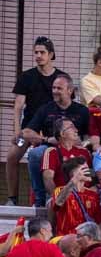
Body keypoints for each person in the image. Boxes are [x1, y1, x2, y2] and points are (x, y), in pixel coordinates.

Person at [7, 36, 69, 206]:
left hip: (53, 129)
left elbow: (67, 104)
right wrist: (17, 131)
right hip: (29, 128)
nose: (38, 55)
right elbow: (18, 106)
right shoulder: (26, 77)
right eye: (36, 52)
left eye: (42, 52)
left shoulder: (61, 78)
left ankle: (54, 197)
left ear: (51, 54)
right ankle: (12, 199)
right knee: (12, 156)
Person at [22, 74, 90, 207]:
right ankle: (40, 199)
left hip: (75, 147)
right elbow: (26, 132)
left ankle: (83, 196)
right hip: (50, 147)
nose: (54, 91)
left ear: (70, 90)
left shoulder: (82, 111)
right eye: (53, 88)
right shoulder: (45, 108)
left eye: (59, 88)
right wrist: (46, 139)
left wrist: (84, 143)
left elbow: (90, 134)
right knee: (35, 154)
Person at [41, 118, 90, 200]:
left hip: (85, 196)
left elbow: (92, 178)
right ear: (62, 134)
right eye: (71, 127)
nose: (76, 130)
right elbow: (48, 178)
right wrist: (58, 198)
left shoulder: (84, 152)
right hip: (63, 196)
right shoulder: (51, 152)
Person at [51, 157, 100, 236]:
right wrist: (75, 180)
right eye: (84, 169)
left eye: (89, 168)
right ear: (73, 173)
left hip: (88, 239)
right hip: (67, 238)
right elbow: (57, 204)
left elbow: (98, 221)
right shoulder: (60, 190)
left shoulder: (93, 194)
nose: (90, 172)